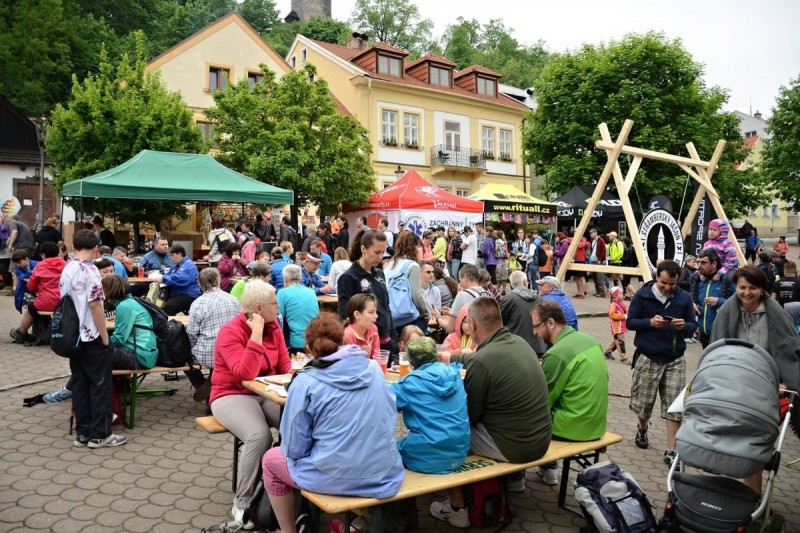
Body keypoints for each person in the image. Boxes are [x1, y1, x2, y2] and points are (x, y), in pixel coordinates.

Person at [261, 314, 404, 533]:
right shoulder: (375, 370)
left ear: (308, 347)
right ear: (343, 340)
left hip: (334, 475)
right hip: (382, 473)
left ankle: (288, 530)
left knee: (271, 460)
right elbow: (389, 415)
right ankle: (356, 523)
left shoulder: (305, 381)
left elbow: (294, 448)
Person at [432, 297, 551, 526]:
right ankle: (514, 481)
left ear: (473, 325)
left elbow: (468, 417)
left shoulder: (482, 362)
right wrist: (452, 357)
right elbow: (479, 358)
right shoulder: (519, 342)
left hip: (517, 447)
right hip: (541, 438)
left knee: (446, 433)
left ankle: (457, 509)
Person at [710, 265, 800, 493]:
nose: (747, 293)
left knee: (754, 446)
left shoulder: (776, 314)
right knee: (736, 444)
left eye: (753, 288)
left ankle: (753, 497)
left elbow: (788, 350)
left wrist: (785, 382)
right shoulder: (727, 312)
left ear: (762, 289)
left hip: (766, 388)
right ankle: (739, 493)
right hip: (734, 385)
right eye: (742, 287)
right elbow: (716, 347)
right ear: (736, 288)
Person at [210, 280, 291, 524]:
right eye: (274, 303)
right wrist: (255, 334)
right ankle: (243, 504)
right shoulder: (231, 331)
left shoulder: (274, 325)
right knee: (259, 435)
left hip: (265, 391)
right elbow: (244, 373)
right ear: (258, 308)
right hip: (230, 393)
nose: (278, 307)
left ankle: (285, 482)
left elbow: (283, 365)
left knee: (295, 421)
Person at [626, 259, 697, 466]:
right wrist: (650, 323)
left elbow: (692, 326)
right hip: (649, 356)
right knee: (644, 403)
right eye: (664, 283)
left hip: (675, 358)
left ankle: (671, 449)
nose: (667, 287)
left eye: (671, 284)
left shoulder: (683, 298)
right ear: (657, 277)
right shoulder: (642, 295)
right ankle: (642, 427)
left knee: (675, 405)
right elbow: (630, 322)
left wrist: (684, 325)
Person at [61, 229, 126, 448]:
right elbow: (96, 304)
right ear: (96, 248)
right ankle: (100, 434)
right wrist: (105, 336)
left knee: (79, 384)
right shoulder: (90, 271)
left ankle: (83, 433)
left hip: (72, 337)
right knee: (100, 385)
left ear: (74, 246)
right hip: (90, 335)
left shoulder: (67, 268)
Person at [532, 301, 608, 485]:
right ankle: (548, 469)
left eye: (535, 326)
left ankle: (514, 477)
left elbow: (541, 402)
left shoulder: (557, 354)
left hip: (572, 428)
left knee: (524, 415)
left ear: (550, 323)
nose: (534, 332)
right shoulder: (589, 341)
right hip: (596, 425)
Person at [390, 336, 470, 473]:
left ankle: (410, 494)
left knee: (387, 451)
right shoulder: (454, 374)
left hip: (426, 457)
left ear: (411, 361)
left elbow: (381, 402)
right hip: (458, 452)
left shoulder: (410, 383)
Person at [187, 268, 241, 402]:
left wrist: (191, 348)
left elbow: (191, 334)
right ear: (218, 280)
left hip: (207, 353)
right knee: (218, 356)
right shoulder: (233, 299)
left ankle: (203, 386)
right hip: (231, 352)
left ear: (199, 284)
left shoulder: (198, 303)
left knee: (183, 356)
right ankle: (212, 387)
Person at [10, 242, 66, 344]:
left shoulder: (40, 266)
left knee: (31, 308)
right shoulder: (66, 265)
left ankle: (21, 333)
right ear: (58, 253)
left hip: (46, 302)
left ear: (43, 255)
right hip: (64, 301)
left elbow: (30, 287)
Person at [102, 275, 158, 370]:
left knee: (93, 352)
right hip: (147, 353)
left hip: (139, 355)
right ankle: (119, 383)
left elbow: (119, 339)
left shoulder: (124, 306)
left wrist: (97, 342)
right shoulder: (131, 301)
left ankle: (96, 384)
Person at [384, 231, 429, 332]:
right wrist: (426, 313)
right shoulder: (412, 266)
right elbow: (417, 295)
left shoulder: (390, 264)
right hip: (409, 317)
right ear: (414, 247)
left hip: (392, 315)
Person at [690, 248, 734, 347]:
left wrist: (719, 301)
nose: (699, 266)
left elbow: (739, 303)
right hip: (704, 334)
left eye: (703, 263)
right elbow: (691, 298)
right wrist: (693, 304)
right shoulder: (698, 281)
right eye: (698, 262)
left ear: (714, 264)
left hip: (723, 336)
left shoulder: (727, 281)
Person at [499, 270, 545, 355]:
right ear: (525, 282)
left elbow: (499, 322)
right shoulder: (539, 299)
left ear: (512, 285)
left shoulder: (508, 299)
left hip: (517, 349)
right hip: (538, 347)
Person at [147, 244, 200, 315]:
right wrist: (160, 278)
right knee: (156, 302)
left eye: (173, 255)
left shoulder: (188, 265)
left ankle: (169, 324)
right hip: (176, 292)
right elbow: (169, 275)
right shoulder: (175, 265)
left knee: (168, 307)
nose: (171, 258)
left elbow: (179, 278)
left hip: (188, 294)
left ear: (180, 254)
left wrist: (163, 278)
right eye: (170, 256)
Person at [278, 264, 320, 354]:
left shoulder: (282, 293)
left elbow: (278, 318)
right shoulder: (311, 292)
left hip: (293, 343)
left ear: (285, 279)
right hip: (313, 340)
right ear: (301, 279)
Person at [437, 264, 486, 334]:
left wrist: (438, 318)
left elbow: (450, 329)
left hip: (468, 340)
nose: (460, 283)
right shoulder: (487, 294)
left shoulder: (462, 295)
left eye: (460, 280)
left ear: (465, 277)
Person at [342, 293, 380, 358]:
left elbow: (377, 356)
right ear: (357, 315)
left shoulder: (373, 329)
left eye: (376, 312)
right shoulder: (348, 335)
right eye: (371, 312)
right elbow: (352, 363)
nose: (376, 316)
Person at [604, 286, 630, 363]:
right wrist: (624, 316)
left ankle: (608, 352)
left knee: (617, 340)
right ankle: (624, 358)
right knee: (620, 342)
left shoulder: (621, 303)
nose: (622, 295)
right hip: (617, 326)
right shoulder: (613, 304)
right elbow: (611, 314)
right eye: (620, 293)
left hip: (621, 325)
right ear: (615, 295)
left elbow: (626, 310)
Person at [10, 249, 37, 314]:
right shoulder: (18, 269)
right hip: (25, 291)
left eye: (19, 262)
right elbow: (24, 279)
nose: (18, 265)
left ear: (26, 259)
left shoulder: (37, 264)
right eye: (16, 263)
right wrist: (33, 272)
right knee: (31, 308)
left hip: (37, 290)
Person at [589, 228, 608, 297]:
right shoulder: (592, 241)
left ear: (595, 233)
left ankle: (602, 292)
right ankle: (598, 291)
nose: (590, 234)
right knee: (594, 277)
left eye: (591, 233)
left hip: (598, 261)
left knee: (599, 277)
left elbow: (604, 250)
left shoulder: (601, 240)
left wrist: (600, 259)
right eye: (590, 233)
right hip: (593, 260)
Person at [494, 229, 510, 293]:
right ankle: (498, 289)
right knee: (498, 276)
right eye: (503, 234)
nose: (504, 235)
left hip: (504, 260)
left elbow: (506, 250)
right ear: (500, 235)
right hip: (499, 260)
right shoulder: (497, 241)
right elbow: (497, 250)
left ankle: (504, 289)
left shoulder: (505, 241)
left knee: (504, 276)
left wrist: (507, 255)